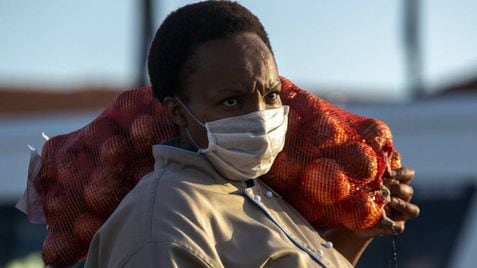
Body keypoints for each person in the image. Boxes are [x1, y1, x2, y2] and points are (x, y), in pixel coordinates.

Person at [85, 1, 420, 267]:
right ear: (177, 112)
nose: (260, 117)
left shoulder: (253, 192)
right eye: (231, 101)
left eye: (271, 95)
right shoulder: (164, 227)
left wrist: (357, 233)